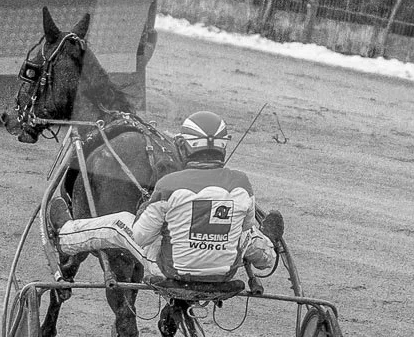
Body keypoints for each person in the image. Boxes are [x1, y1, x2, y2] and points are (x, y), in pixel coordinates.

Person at [49, 110, 278, 287]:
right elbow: (245, 226)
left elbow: (140, 236)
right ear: (223, 148)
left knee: (117, 224)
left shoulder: (168, 186)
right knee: (244, 233)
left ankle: (66, 234)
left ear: (183, 148)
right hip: (225, 271)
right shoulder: (242, 183)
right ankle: (268, 248)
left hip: (169, 269)